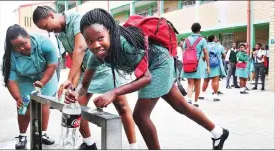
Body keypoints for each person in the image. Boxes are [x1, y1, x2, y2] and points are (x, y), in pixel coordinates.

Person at [65, 9, 229, 150]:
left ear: (109, 31)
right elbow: (85, 85)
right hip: (154, 65)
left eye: (100, 38)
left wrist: (114, 92)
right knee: (181, 106)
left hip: (159, 64)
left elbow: (146, 78)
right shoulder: (96, 56)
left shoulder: (124, 46)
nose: (95, 45)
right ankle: (218, 132)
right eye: (89, 41)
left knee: (140, 115)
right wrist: (75, 92)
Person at [32, 6, 137, 149]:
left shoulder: (76, 19)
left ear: (51, 15)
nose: (48, 31)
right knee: (76, 106)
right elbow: (75, 60)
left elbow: (80, 48)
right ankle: (89, 143)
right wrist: (73, 86)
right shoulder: (62, 35)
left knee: (122, 107)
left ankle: (133, 146)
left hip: (104, 66)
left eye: (46, 26)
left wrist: (68, 78)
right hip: (86, 72)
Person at [1, 24, 57, 149]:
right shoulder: (9, 58)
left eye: (24, 43)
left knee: (44, 105)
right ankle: (22, 136)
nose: (21, 48)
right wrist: (17, 98)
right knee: (24, 107)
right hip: (24, 79)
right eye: (16, 47)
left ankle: (43, 134)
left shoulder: (45, 43)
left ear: (28, 37)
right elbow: (11, 80)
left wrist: (42, 81)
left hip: (46, 75)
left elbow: (52, 65)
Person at [182, 23, 209, 107]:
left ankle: (189, 99)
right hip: (198, 64)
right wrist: (208, 65)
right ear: (199, 30)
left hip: (187, 64)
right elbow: (206, 53)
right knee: (197, 84)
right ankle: (196, 101)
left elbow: (184, 52)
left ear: (192, 30)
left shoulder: (186, 39)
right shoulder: (202, 40)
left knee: (190, 83)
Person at [200, 35, 226, 101]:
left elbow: (203, 57)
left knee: (206, 80)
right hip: (216, 66)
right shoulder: (220, 46)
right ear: (214, 39)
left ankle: (202, 95)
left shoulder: (205, 46)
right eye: (216, 37)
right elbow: (224, 55)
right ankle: (215, 96)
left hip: (207, 65)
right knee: (215, 80)